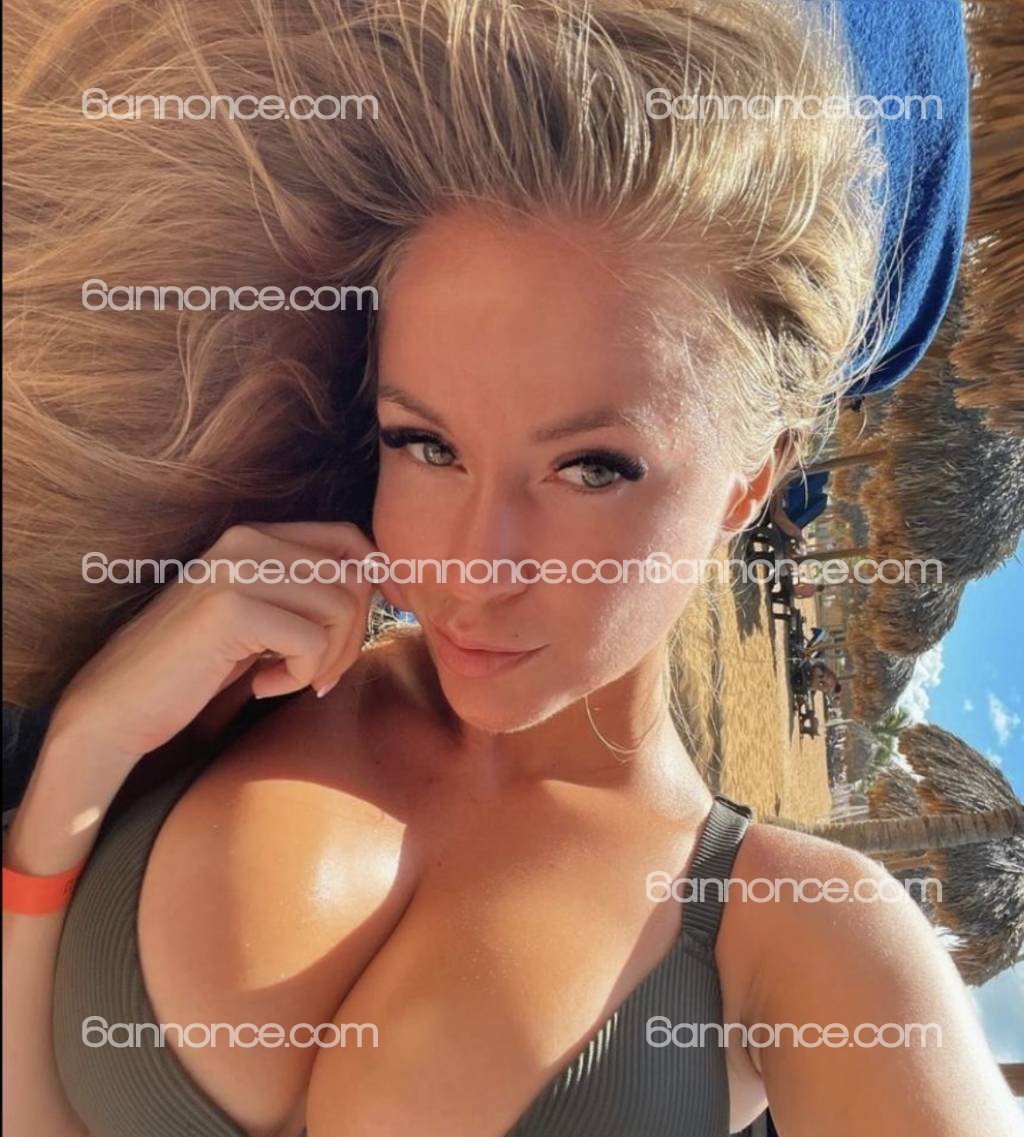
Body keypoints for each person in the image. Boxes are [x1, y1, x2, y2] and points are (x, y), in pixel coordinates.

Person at [5, 2, 1019, 1137]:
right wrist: (85, 751)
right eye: (425, 444)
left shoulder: (795, 933)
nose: (474, 569)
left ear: (751, 480)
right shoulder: (225, 680)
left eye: (591, 468)